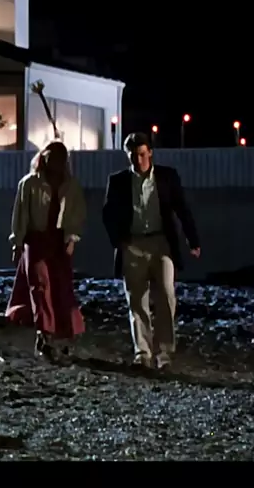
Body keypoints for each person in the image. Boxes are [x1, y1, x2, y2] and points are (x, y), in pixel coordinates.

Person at [102, 132, 200, 370]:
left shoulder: (166, 177)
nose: (138, 160)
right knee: (137, 301)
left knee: (166, 296)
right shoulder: (118, 181)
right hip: (133, 244)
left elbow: (182, 208)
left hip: (161, 242)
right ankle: (143, 353)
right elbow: (108, 214)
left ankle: (164, 353)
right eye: (133, 155)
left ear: (150, 153)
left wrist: (193, 239)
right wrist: (120, 242)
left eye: (142, 154)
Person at [5, 140, 86, 364]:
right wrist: (17, 243)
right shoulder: (29, 183)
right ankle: (44, 333)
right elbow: (21, 214)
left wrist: (72, 238)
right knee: (39, 287)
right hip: (36, 240)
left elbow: (76, 213)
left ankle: (60, 334)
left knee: (60, 287)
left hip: (59, 242)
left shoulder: (70, 186)